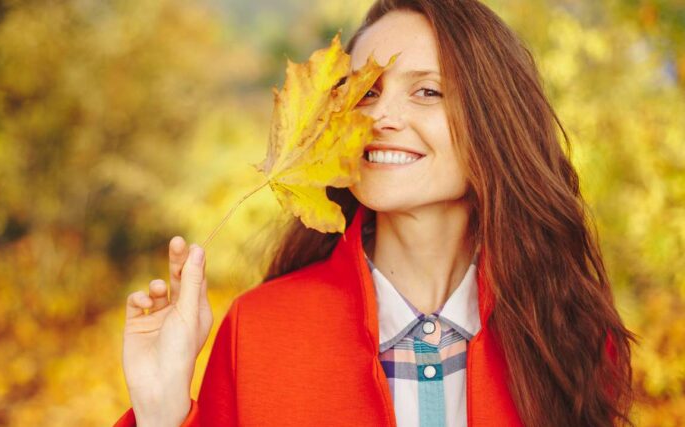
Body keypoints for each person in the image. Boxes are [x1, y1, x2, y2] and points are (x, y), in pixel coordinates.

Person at [114, 0, 635, 426]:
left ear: (494, 121)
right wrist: (161, 412)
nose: (381, 116)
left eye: (426, 91)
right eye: (365, 92)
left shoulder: (562, 333)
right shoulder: (259, 331)